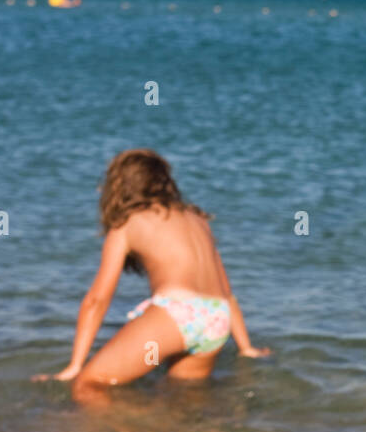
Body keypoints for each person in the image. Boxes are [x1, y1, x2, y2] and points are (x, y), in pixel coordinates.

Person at [33, 149, 270, 403]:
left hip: (178, 312)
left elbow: (97, 300)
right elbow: (226, 291)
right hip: (216, 319)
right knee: (179, 400)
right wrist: (246, 347)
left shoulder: (127, 224)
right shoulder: (198, 219)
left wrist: (74, 366)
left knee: (89, 385)